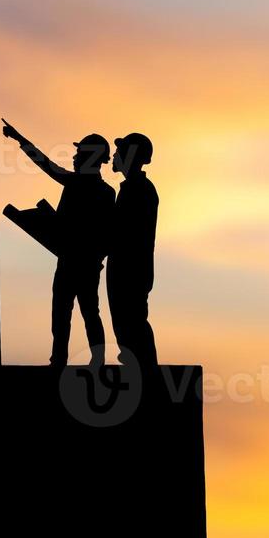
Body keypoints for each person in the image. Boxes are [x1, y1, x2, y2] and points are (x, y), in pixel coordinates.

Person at [3, 121, 115, 367]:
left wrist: (20, 139)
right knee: (79, 313)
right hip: (79, 262)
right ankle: (83, 360)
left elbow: (46, 165)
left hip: (77, 263)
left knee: (73, 313)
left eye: (79, 153)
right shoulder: (103, 191)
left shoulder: (85, 186)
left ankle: (67, 361)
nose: (74, 157)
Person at [108, 132, 158, 369]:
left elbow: (125, 231)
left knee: (132, 324)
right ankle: (138, 368)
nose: (114, 155)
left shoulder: (139, 190)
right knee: (127, 326)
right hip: (127, 268)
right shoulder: (134, 188)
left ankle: (145, 373)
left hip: (130, 270)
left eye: (119, 151)